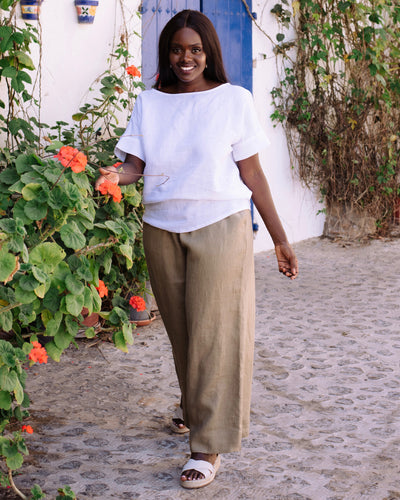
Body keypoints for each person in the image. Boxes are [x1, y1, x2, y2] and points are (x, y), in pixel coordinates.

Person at [95, 9, 298, 489]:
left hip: (220, 224)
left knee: (215, 334)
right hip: (161, 225)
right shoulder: (150, 102)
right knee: (184, 333)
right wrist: (113, 175)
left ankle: (208, 445)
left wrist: (281, 238)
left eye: (195, 49)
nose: (186, 58)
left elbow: (252, 174)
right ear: (167, 53)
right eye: (177, 49)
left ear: (209, 53)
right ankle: (195, 407)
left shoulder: (233, 100)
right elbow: (134, 166)